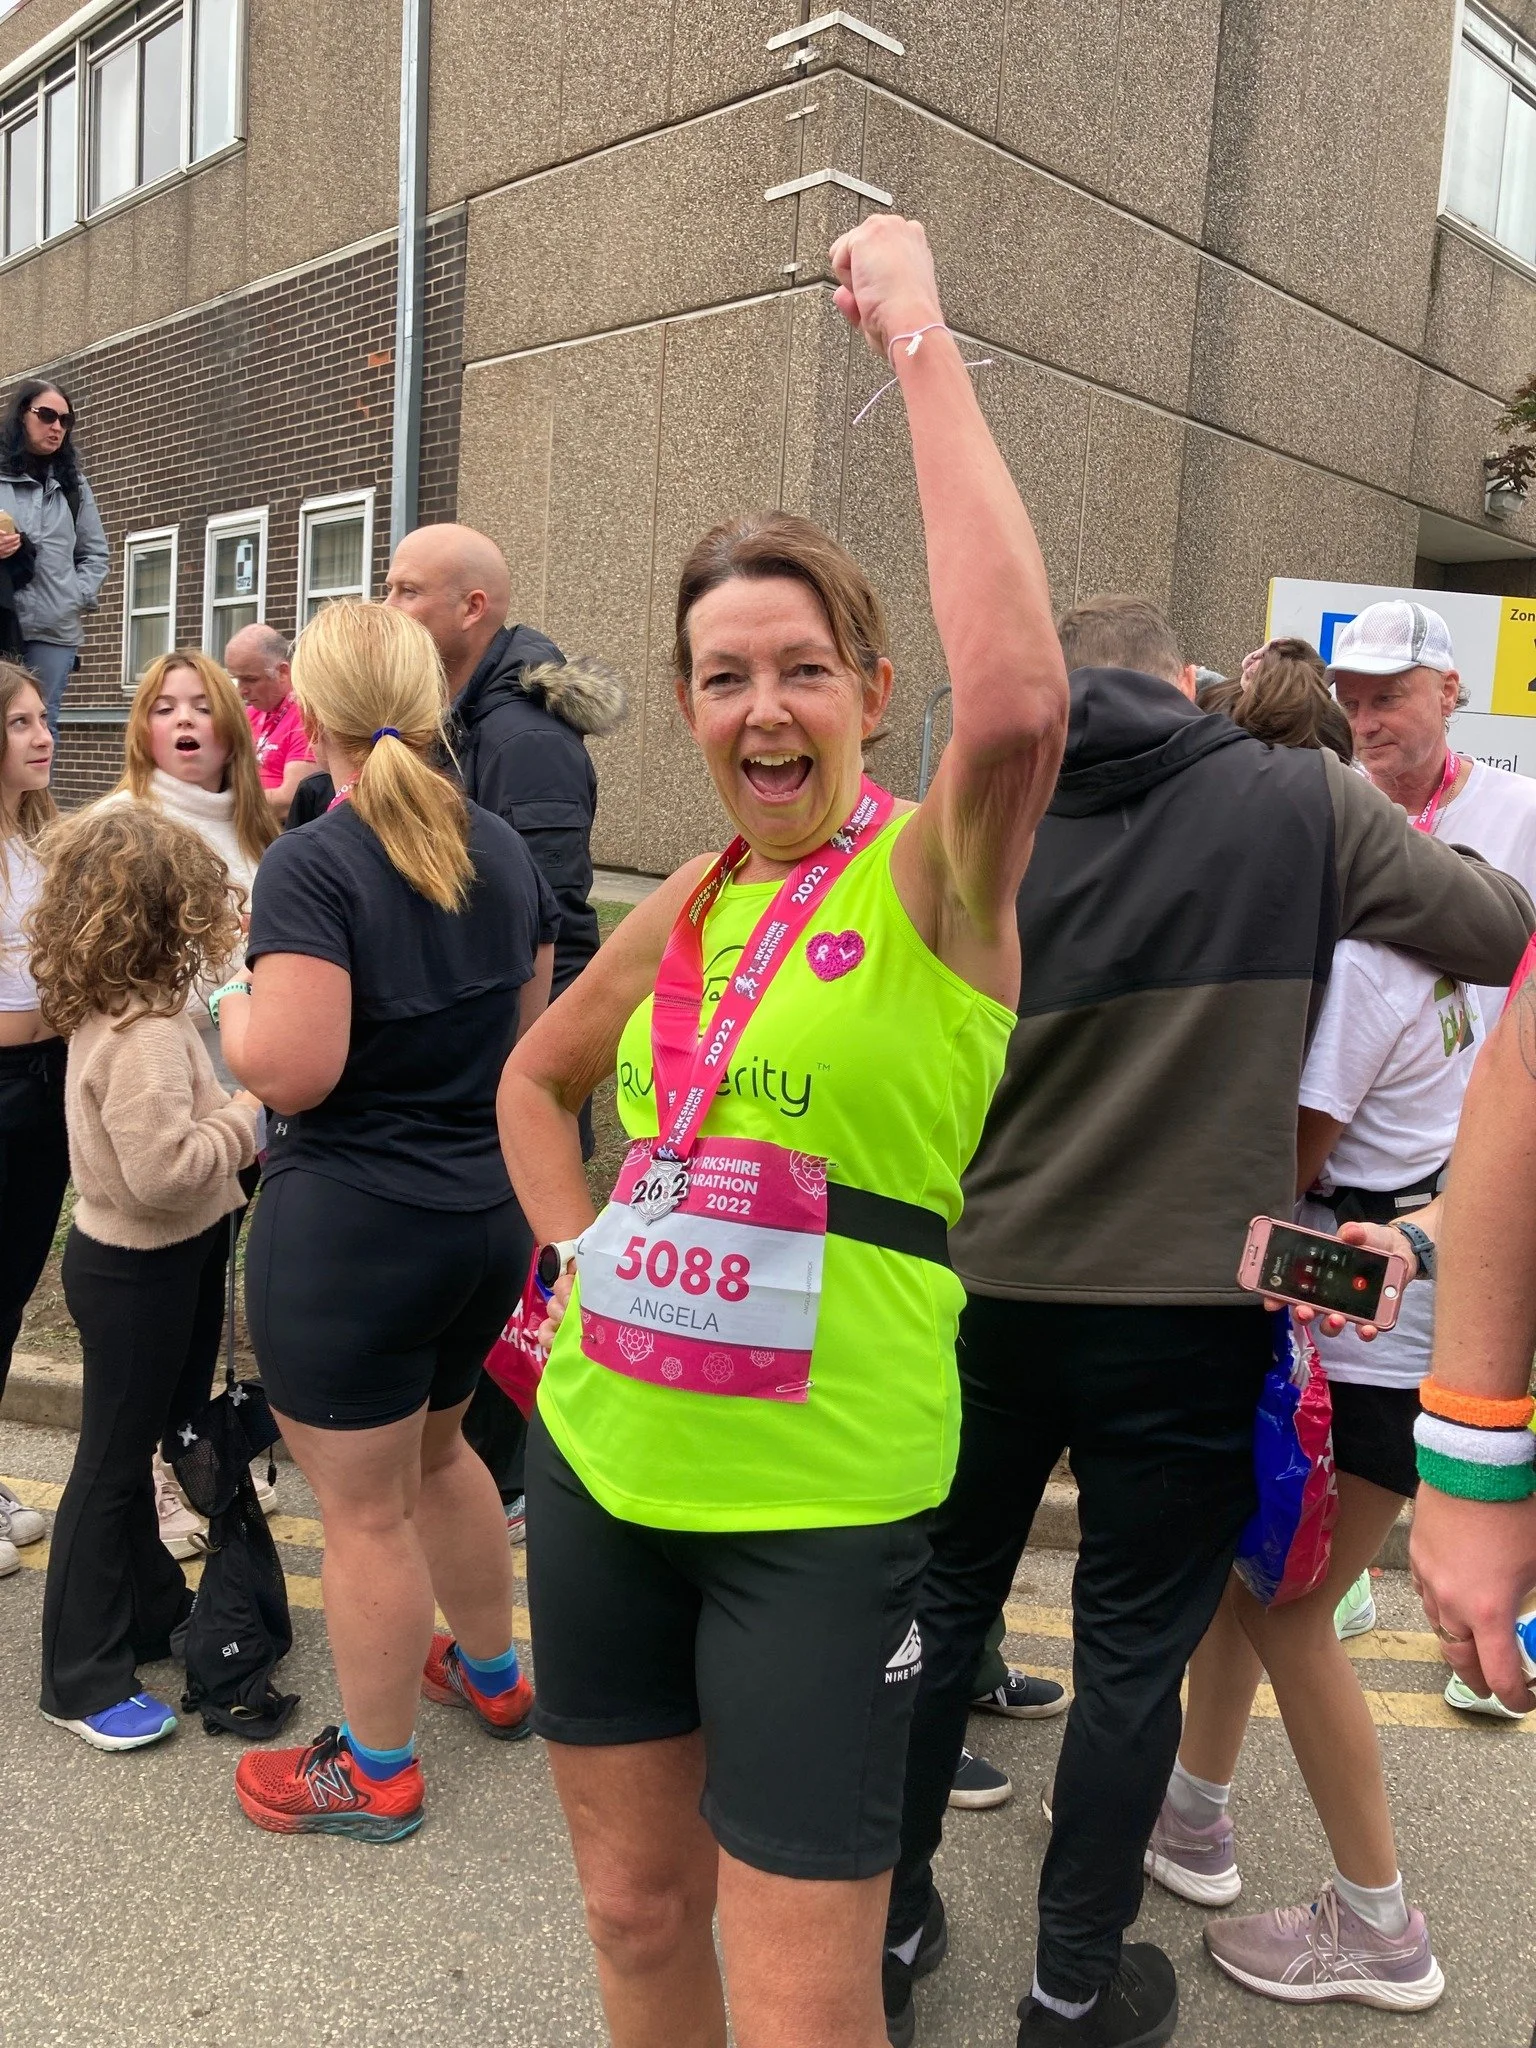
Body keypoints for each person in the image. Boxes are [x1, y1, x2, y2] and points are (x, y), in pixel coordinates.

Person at [498, 213, 1068, 2048]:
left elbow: (1029, 700)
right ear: (682, 706)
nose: (763, 704)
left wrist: (918, 333)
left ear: (870, 695)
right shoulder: (681, 905)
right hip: (603, 1462)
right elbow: (535, 1079)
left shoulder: (931, 876)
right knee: (632, 1906)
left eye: (802, 667)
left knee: (809, 1989)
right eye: (725, 673)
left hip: (819, 1508)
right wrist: (578, 1249)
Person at [883, 591, 1534, 2048]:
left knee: (939, 1603)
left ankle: (897, 1923)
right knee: (1130, 1651)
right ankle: (1071, 1986)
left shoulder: (975, 811)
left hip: (979, 1286)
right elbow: (1501, 935)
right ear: (1189, 684)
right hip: (1186, 1308)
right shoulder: (1297, 797)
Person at [216, 599, 556, 1841]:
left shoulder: (317, 862)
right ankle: (494, 1669)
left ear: (313, 714)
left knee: (362, 1513)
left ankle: (374, 1770)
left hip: (357, 1233)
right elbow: (532, 1042)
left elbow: (294, 1068)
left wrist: (228, 1009)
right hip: (484, 1220)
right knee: (442, 1452)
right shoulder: (504, 848)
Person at [1153, 649, 1457, 2010]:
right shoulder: (1424, 928)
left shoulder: (1358, 964)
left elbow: (1278, 1170)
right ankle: (1193, 1815)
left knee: (1290, 1617)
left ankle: (1380, 1927)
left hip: (1361, 1357)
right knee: (1246, 1582)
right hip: (1392, 1340)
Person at [28, 804, 261, 1749]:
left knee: (143, 1445)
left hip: (164, 1262)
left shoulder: (131, 1011)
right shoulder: (144, 1038)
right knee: (109, 1467)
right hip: (140, 1270)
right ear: (169, 917)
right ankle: (79, 1678)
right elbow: (163, 1172)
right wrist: (247, 1119)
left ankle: (149, 1605)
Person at [107, 648, 277, 1553]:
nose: (181, 720)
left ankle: (198, 1458)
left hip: (244, 1103)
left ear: (228, 727)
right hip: (156, 1109)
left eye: (199, 705)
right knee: (153, 1320)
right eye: (163, 704)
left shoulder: (258, 833)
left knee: (210, 1300)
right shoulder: (118, 826)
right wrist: (225, 979)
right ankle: (153, 1486)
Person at [1331, 599, 1536, 1027]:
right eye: (1350, 706)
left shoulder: (1524, 811)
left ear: (1446, 693)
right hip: (1341, 1086)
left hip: (1488, 1087)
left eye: (1386, 700)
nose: (1364, 725)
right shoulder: (1331, 806)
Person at [0, 662, 61, 1577]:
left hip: (47, 1087)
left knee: (9, 1297)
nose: (44, 734)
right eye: (18, 723)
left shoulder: (42, 836)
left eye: (43, 717)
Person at [0, 382, 108, 734]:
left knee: (42, 726)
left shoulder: (73, 485)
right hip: (3, 620)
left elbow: (94, 553)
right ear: (21, 416)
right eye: (46, 415)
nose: (57, 427)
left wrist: (74, 597)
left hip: (54, 628)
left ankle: (37, 793)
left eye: (65, 419)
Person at [224, 623, 315, 822]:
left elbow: (290, 801)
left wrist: (219, 803)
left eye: (250, 679)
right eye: (237, 679)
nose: (241, 690)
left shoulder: (306, 717)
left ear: (283, 672)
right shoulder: (249, 715)